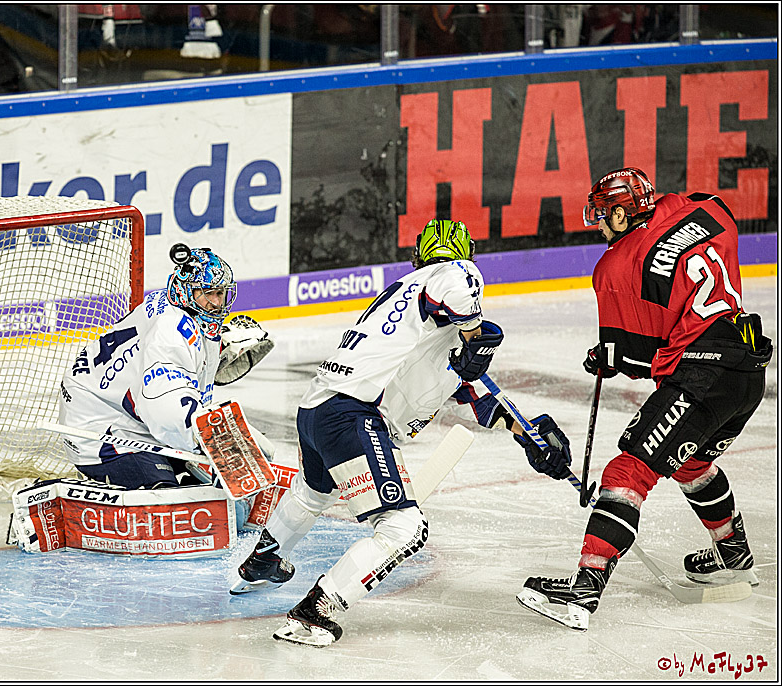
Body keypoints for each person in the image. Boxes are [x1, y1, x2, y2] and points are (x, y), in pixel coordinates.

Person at [232, 219, 574, 646]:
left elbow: (475, 390)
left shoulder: (414, 320)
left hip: (317, 408)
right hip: (352, 414)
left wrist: (528, 433)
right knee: (403, 528)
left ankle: (263, 560)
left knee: (313, 492)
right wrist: (473, 335)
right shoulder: (449, 276)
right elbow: (454, 284)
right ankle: (314, 612)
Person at [516, 167, 772, 631]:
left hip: (703, 371)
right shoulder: (702, 206)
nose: (599, 223)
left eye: (603, 213)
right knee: (689, 461)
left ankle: (583, 591)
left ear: (620, 211)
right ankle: (736, 556)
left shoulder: (615, 267)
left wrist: (604, 357)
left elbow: (637, 357)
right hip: (747, 370)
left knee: (628, 470)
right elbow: (719, 223)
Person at [56, 244, 272, 495]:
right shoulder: (170, 333)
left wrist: (218, 350)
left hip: (116, 405)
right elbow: (166, 412)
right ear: (187, 292)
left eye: (221, 293)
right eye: (209, 294)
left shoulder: (172, 303)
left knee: (205, 475)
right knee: (168, 500)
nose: (216, 302)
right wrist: (218, 442)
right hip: (100, 430)